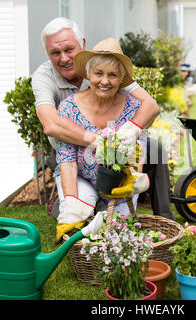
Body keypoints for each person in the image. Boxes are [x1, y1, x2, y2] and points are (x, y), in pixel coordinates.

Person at [31, 17, 175, 221]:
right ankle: (76, 206)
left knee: (156, 150)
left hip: (117, 150)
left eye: (69, 50)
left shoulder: (106, 63)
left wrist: (130, 132)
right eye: (55, 52)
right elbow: (51, 124)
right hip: (68, 147)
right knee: (81, 201)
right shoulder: (44, 78)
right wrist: (99, 141)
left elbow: (150, 105)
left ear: (82, 44)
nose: (64, 58)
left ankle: (165, 219)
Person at [53, 38, 151, 243]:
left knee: (121, 232)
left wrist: (131, 180)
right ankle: (80, 206)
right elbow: (67, 157)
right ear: (88, 74)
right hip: (80, 175)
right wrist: (71, 203)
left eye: (112, 75)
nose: (104, 81)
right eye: (98, 73)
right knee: (78, 214)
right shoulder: (68, 107)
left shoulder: (134, 106)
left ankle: (103, 210)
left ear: (122, 78)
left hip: (118, 180)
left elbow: (136, 151)